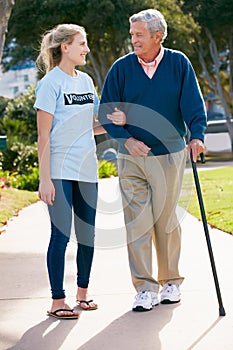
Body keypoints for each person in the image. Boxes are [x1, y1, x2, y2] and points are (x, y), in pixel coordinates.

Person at [99, 9, 207, 312]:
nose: (133, 39)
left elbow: (193, 104)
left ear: (157, 36)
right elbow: (106, 111)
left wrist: (196, 135)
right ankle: (144, 288)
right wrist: (125, 139)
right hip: (131, 157)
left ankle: (171, 281)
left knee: (166, 221)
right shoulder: (121, 68)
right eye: (132, 34)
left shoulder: (178, 64)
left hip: (169, 155)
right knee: (138, 223)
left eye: (139, 35)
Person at [34, 23, 125, 319]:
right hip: (59, 168)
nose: (87, 49)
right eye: (82, 43)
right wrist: (44, 179)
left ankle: (82, 295)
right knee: (61, 236)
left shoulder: (85, 81)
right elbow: (44, 135)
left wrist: (114, 123)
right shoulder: (50, 83)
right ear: (65, 47)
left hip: (87, 168)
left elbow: (91, 125)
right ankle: (57, 301)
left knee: (87, 235)